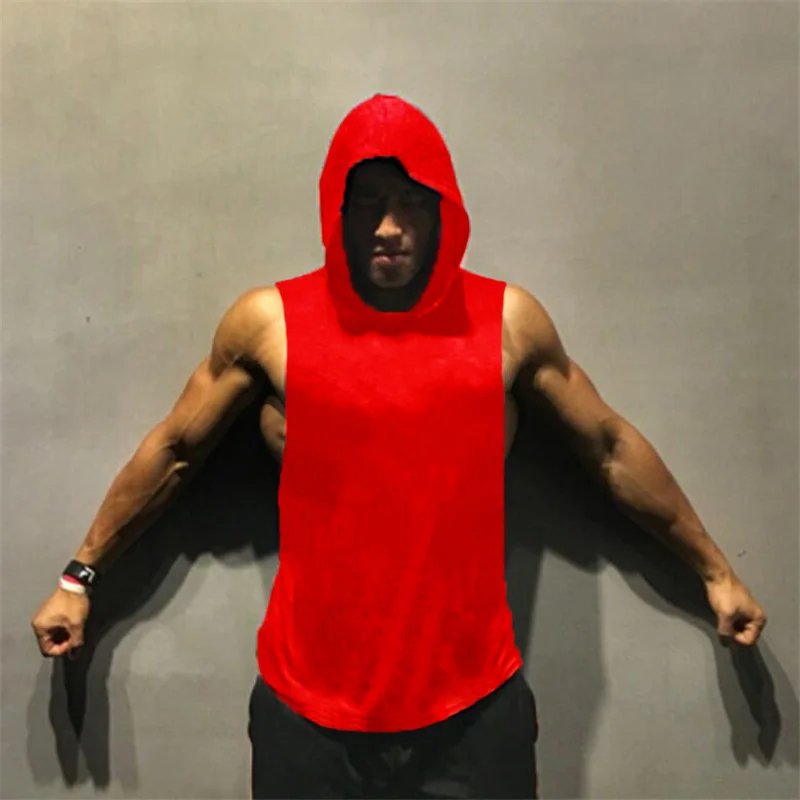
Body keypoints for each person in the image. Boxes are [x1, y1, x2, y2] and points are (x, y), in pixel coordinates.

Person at [31, 94, 767, 799]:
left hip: (472, 709)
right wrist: (78, 580)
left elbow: (608, 446)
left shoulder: (507, 322)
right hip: (307, 714)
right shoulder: (270, 323)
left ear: (443, 211)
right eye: (368, 204)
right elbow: (176, 451)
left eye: (412, 202)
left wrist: (716, 571)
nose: (389, 226)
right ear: (337, 211)